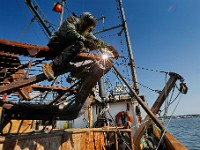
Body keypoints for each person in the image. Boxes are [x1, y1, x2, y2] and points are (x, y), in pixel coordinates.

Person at [42, 12, 119, 81]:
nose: (88, 29)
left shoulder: (86, 33)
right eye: (87, 26)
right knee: (80, 44)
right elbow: (70, 32)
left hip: (69, 47)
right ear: (83, 21)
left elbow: (98, 42)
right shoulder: (72, 20)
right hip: (58, 43)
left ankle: (76, 72)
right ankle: (52, 66)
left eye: (90, 28)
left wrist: (111, 49)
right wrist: (86, 41)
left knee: (88, 50)